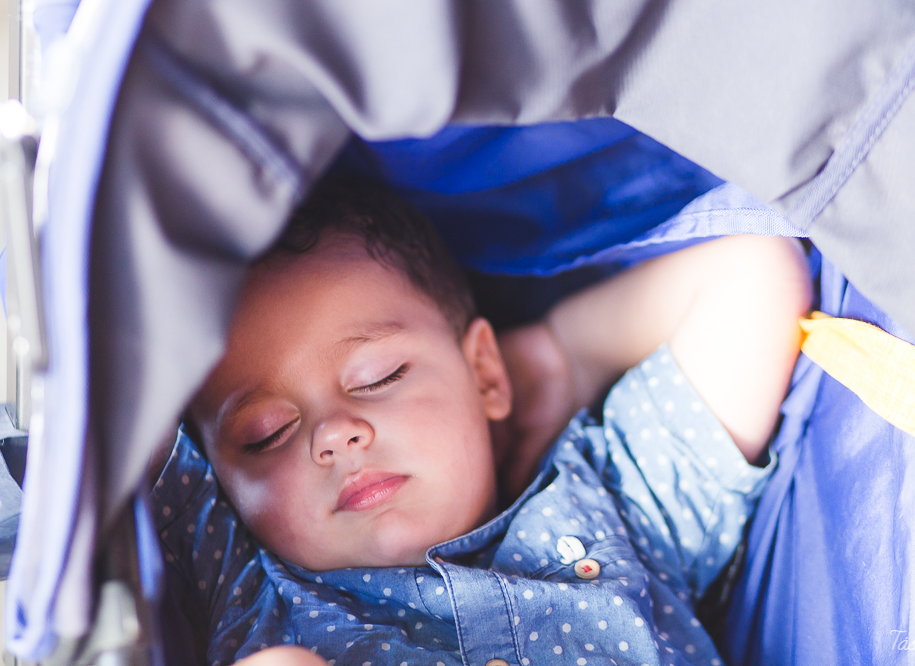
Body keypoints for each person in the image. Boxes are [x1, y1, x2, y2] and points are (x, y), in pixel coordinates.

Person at [152, 180, 811, 666]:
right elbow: (100, 429)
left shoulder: (608, 507)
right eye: (266, 433)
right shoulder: (251, 592)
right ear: (221, 480)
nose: (335, 435)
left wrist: (557, 358)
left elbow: (753, 275)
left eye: (380, 376)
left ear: (486, 374)